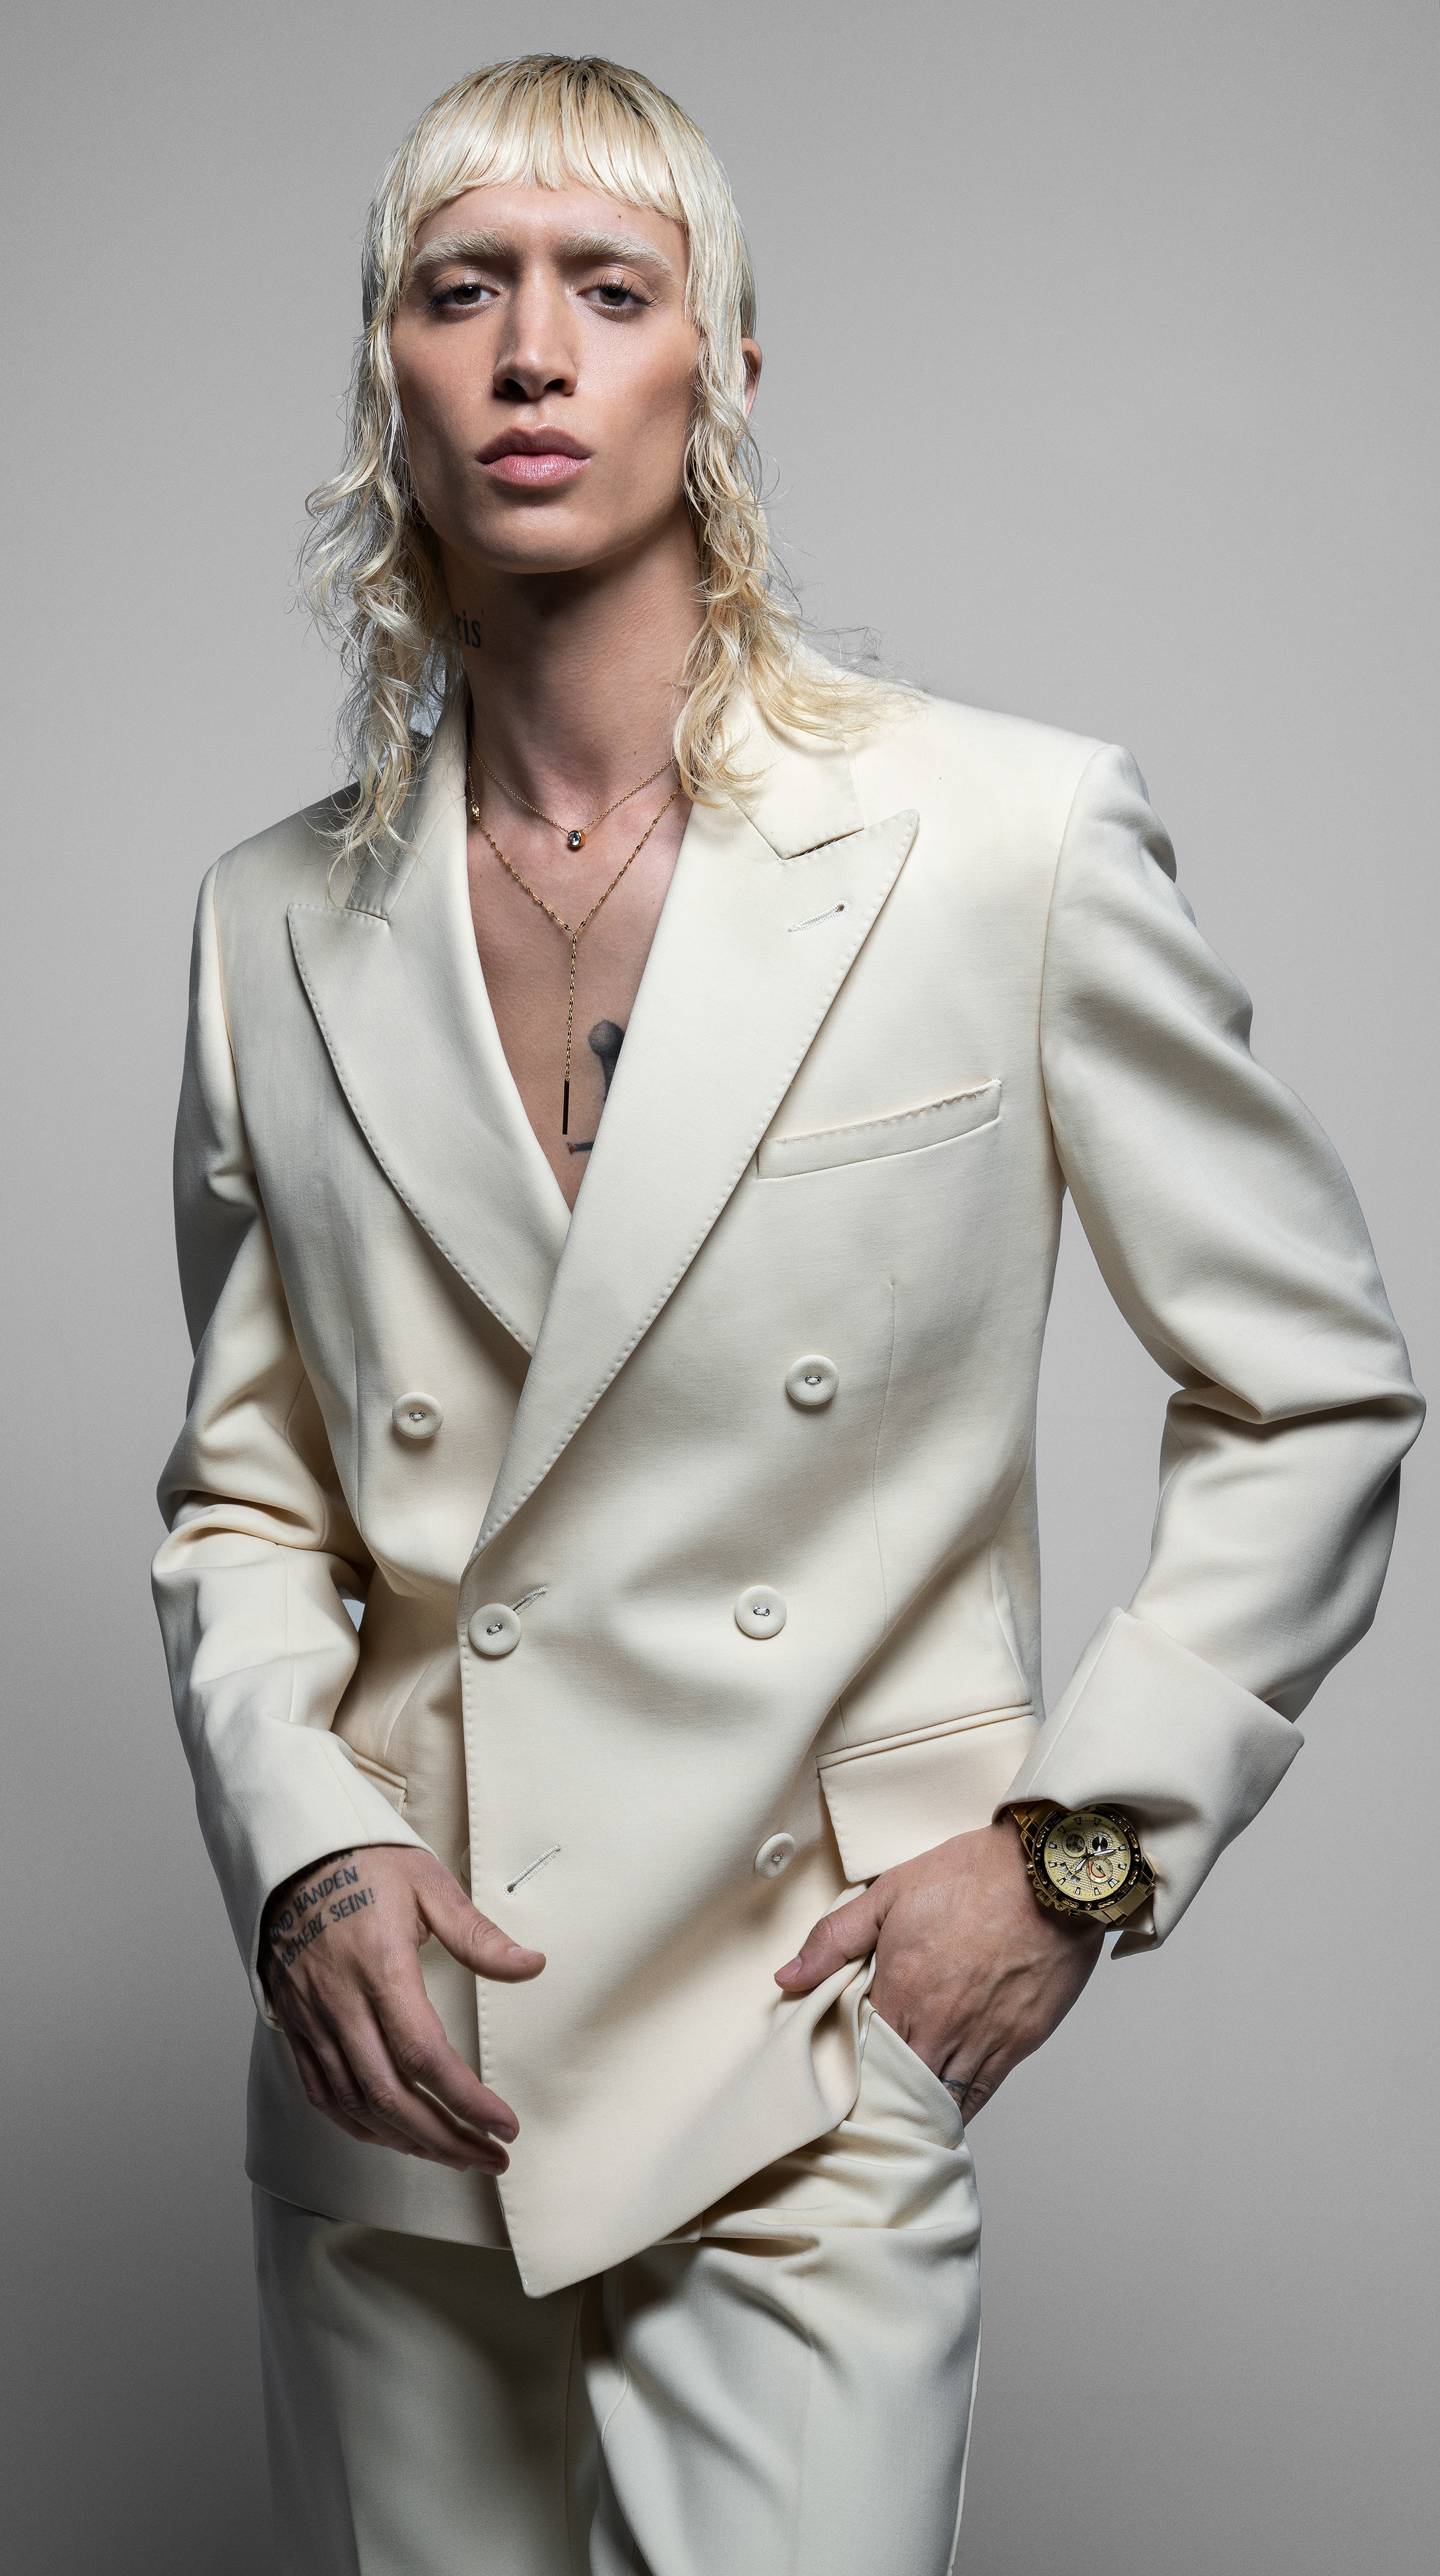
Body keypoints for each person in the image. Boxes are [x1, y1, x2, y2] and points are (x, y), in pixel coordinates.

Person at [153, 53, 1420, 2576]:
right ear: (389, 371)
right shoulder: (272, 920)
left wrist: (1074, 1852)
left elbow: (1313, 1384)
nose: (532, 351)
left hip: (800, 2048)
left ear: (723, 369)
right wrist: (302, 1858)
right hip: (404, 2057)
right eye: (462, 289)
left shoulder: (1002, 838)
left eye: (609, 291)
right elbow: (251, 1497)